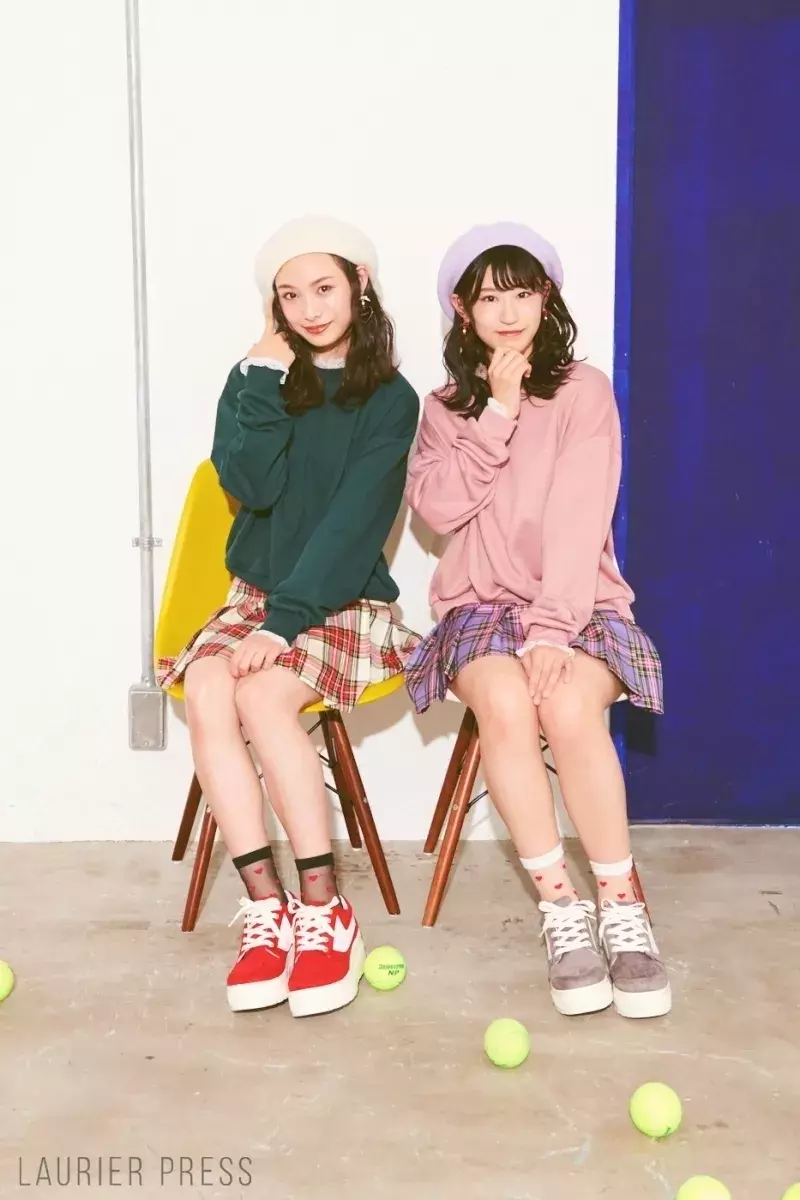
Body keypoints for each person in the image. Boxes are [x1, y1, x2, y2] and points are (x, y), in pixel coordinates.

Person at [404, 222, 670, 1020]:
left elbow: (580, 513)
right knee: (507, 702)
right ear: (463, 310)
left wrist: (553, 627)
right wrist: (498, 411)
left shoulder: (584, 391)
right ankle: (562, 909)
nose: (510, 312)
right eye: (490, 298)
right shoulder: (444, 409)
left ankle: (621, 906)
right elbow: (438, 510)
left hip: (577, 600)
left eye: (523, 293)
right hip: (479, 604)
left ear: (547, 297)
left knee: (566, 704)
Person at [157, 217, 420, 1017]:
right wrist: (262, 381)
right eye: (291, 294)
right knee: (211, 690)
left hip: (341, 599)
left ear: (360, 284)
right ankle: (266, 911)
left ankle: (324, 909)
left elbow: (352, 526)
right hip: (257, 596)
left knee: (264, 697)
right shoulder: (255, 378)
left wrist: (284, 625)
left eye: (325, 287)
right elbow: (252, 487)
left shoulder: (391, 399)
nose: (310, 308)